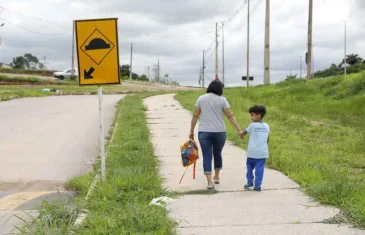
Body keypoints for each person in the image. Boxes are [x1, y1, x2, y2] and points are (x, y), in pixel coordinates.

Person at [189, 80, 242, 189]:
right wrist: (239, 129)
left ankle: (209, 183)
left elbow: (195, 116)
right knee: (217, 153)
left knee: (207, 156)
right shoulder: (222, 100)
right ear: (220, 89)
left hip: (204, 132)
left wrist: (191, 131)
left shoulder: (201, 98)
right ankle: (216, 177)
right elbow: (230, 116)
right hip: (220, 132)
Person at [240, 105, 270, 192]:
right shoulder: (267, 126)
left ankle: (249, 182)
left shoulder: (252, 125)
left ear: (258, 116)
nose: (251, 117)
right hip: (262, 152)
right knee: (260, 169)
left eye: (252, 115)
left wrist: (241, 134)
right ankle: (257, 186)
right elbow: (267, 139)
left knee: (249, 167)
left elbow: (244, 132)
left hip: (252, 152)